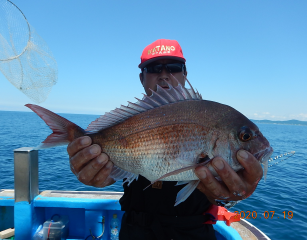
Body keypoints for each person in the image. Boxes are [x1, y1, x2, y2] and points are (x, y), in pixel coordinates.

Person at [67, 39, 263, 240]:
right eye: (153, 68)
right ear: (141, 77)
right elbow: (114, 172)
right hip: (135, 232)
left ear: (185, 74)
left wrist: (232, 196)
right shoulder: (130, 121)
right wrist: (96, 173)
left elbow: (225, 195)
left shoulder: (211, 116)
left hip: (193, 233)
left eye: (173, 67)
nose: (163, 75)